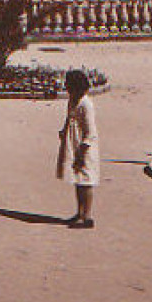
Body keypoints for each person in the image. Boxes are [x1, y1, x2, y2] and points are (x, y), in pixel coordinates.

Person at [56, 69, 99, 228]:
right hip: (74, 144)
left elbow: (90, 132)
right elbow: (69, 117)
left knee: (86, 181)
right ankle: (79, 213)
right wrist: (64, 130)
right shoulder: (72, 100)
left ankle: (87, 216)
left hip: (85, 148)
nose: (67, 88)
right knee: (78, 180)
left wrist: (82, 152)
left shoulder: (86, 104)